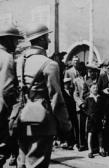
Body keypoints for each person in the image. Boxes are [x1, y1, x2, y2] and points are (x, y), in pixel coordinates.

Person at [16, 24, 71, 168]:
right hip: (42, 120)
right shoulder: (50, 64)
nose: (49, 41)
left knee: (22, 162)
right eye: (47, 37)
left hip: (21, 116)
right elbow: (56, 98)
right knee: (37, 163)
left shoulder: (20, 61)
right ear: (40, 39)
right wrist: (65, 124)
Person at [0, 27, 23, 168]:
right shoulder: (7, 57)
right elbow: (6, 89)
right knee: (2, 151)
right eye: (15, 40)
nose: (17, 44)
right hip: (1, 113)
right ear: (7, 39)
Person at [85, 84, 106, 158]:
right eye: (93, 88)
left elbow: (103, 109)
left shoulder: (100, 98)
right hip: (91, 119)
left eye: (96, 87)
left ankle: (101, 149)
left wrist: (103, 118)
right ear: (90, 89)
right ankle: (90, 151)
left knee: (100, 134)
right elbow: (85, 109)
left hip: (99, 118)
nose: (95, 89)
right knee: (90, 134)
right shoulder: (88, 99)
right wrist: (89, 115)